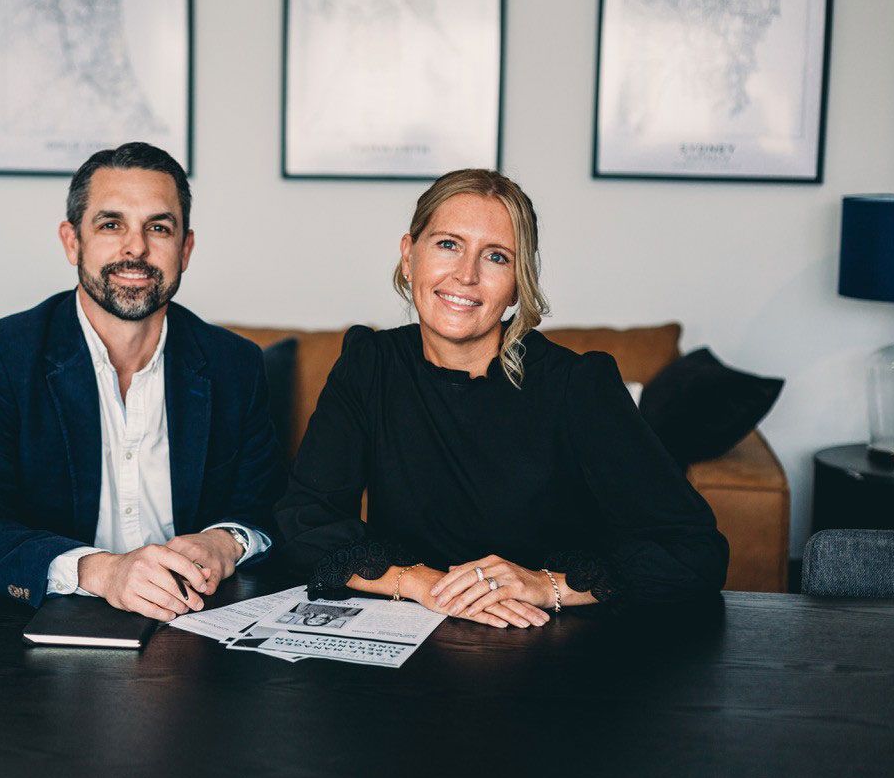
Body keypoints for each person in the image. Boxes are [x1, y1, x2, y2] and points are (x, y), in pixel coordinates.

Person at [274, 169, 728, 628]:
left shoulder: (578, 386)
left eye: (495, 257)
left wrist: (544, 585)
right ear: (409, 257)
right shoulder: (370, 365)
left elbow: (694, 552)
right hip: (409, 636)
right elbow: (304, 522)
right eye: (448, 244)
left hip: (548, 643)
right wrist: (424, 584)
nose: (466, 275)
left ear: (516, 284)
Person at [0, 142, 284, 621]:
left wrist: (226, 540)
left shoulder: (234, 364)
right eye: (111, 225)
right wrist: (102, 571)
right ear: (73, 241)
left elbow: (271, 510)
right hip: (41, 636)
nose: (135, 248)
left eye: (158, 227)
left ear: (186, 248)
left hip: (197, 631)